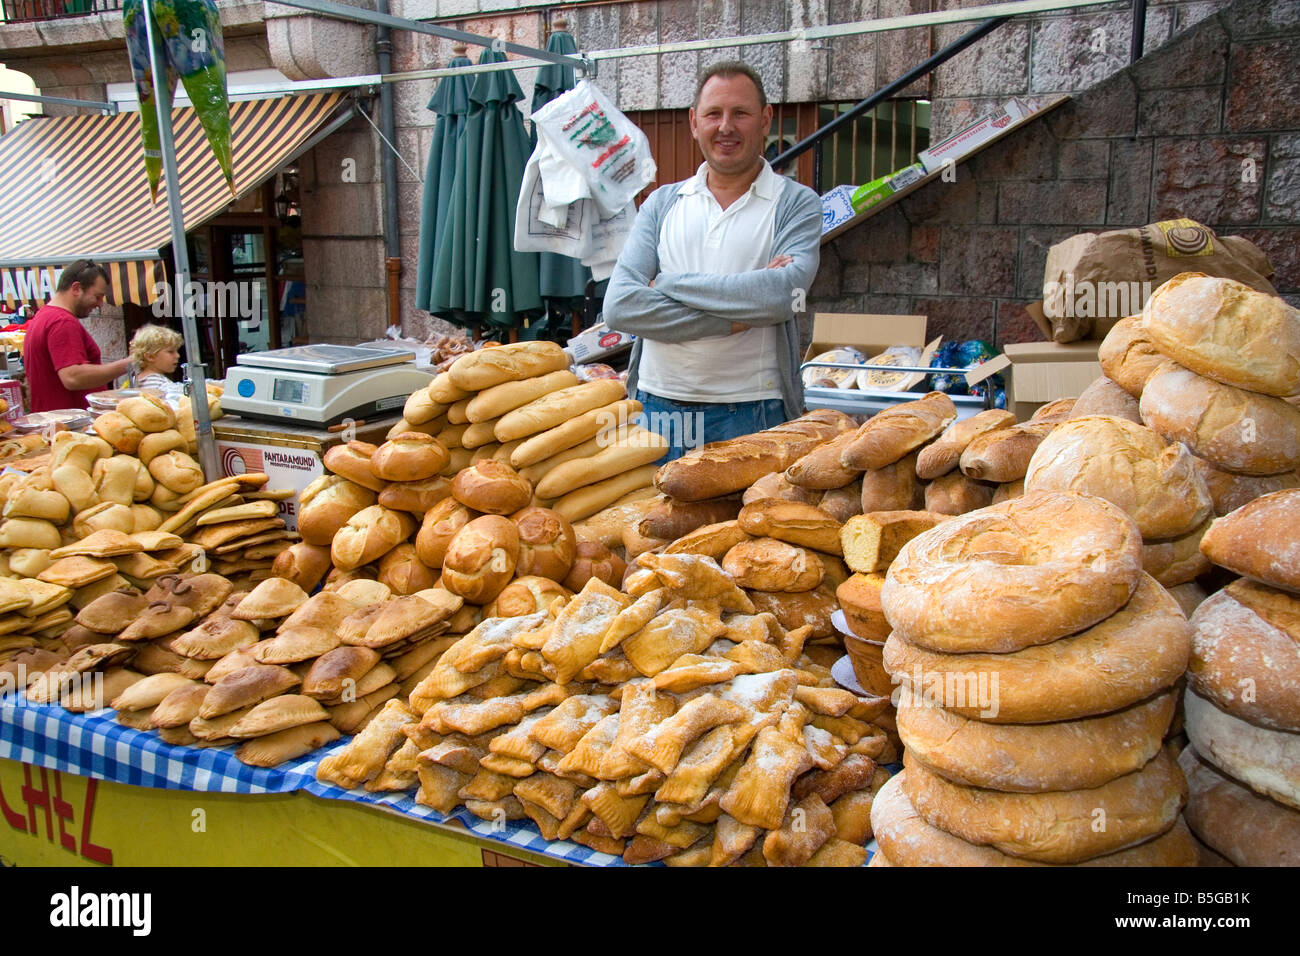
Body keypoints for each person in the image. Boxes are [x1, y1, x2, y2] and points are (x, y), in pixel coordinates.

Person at [603, 61, 822, 460]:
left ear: (765, 119)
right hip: (658, 409)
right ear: (693, 121)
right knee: (654, 522)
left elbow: (780, 297)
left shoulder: (796, 203)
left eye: (740, 113)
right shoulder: (661, 204)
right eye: (713, 114)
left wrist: (668, 284)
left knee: (752, 522)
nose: (726, 127)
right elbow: (620, 307)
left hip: (754, 411)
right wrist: (736, 317)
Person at [23, 259, 130, 412]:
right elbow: (72, 377)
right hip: (69, 426)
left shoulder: (44, 315)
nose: (100, 304)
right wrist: (129, 363)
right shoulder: (62, 322)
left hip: (56, 422)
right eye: (98, 296)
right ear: (76, 288)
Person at [128, 324, 183, 392]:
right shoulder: (158, 384)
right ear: (150, 356)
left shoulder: (136, 380)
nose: (178, 355)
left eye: (176, 351)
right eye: (171, 351)